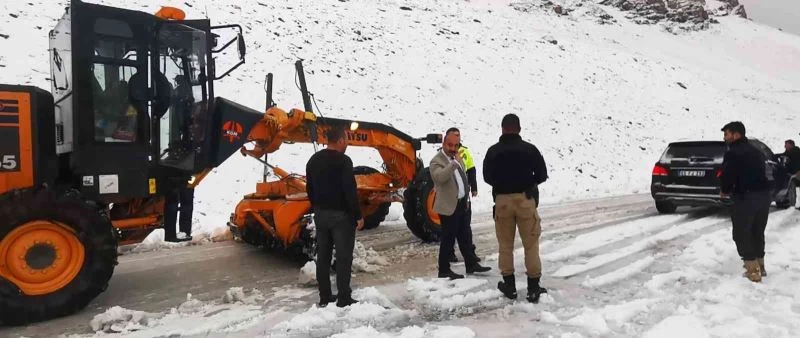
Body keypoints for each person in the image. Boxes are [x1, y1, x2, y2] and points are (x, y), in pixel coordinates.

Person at [483, 113, 548, 303]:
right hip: (525, 200)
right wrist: (529, 183)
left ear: (502, 128)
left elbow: (487, 177)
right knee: (531, 245)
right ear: (519, 128)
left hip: (502, 201)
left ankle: (509, 286)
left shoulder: (493, 151)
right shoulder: (530, 149)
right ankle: (533, 288)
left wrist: (502, 184)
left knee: (505, 246)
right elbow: (542, 174)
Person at [305, 127, 364, 307]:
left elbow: (310, 188)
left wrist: (317, 207)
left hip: (321, 215)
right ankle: (344, 297)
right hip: (341, 217)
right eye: (345, 139)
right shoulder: (344, 161)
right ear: (339, 140)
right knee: (344, 257)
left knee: (322, 257)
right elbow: (349, 191)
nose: (347, 143)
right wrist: (358, 215)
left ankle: (325, 296)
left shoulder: (313, 160)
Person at [430, 130, 491, 280]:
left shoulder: (457, 157)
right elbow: (440, 177)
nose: (453, 148)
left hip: (462, 204)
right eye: (450, 145)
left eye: (456, 145)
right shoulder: (437, 160)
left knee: (465, 236)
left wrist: (467, 198)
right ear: (444, 143)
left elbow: (463, 178)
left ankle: (471, 264)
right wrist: (454, 163)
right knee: (448, 239)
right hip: (448, 207)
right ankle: (443, 269)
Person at [719, 121, 771, 282]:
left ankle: (752, 270)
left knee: (741, 233)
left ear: (736, 134)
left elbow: (728, 174)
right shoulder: (756, 150)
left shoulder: (733, 152)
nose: (724, 137)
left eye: (726, 134)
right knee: (757, 231)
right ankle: (760, 266)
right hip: (764, 196)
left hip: (745, 197)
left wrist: (724, 190)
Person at [444, 127, 480, 264]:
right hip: (450, 197)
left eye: (457, 136)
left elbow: (471, 170)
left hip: (464, 196)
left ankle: (470, 253)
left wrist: (474, 188)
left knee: (465, 227)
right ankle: (450, 253)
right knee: (450, 228)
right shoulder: (443, 155)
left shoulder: (465, 152)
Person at [163, 174, 195, 243]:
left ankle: (171, 234)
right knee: (185, 202)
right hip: (185, 172)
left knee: (173, 203)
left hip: (170, 174)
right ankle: (183, 232)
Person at [776, 139, 800, 208]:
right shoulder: (790, 152)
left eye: (786, 144)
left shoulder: (795, 151)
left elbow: (785, 155)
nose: (784, 146)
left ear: (791, 145)